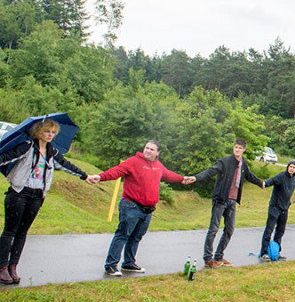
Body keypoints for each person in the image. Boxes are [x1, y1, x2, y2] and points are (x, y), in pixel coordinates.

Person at [0, 119, 89, 284]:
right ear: (38, 132)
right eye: (47, 131)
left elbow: (66, 165)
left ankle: (13, 266)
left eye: (53, 132)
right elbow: (6, 157)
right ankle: (2, 267)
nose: (50, 135)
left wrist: (85, 176)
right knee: (10, 231)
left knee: (22, 232)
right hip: (19, 193)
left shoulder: (51, 152)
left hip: (37, 196)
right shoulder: (27, 146)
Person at [88, 140, 187, 277]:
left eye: (152, 149)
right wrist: (100, 177)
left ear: (157, 153)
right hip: (131, 206)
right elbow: (116, 171)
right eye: (146, 148)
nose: (148, 151)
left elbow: (168, 174)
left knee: (136, 237)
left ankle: (129, 263)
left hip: (148, 210)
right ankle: (111, 265)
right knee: (122, 235)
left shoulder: (158, 166)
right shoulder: (133, 162)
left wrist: (182, 179)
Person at [183, 139, 264, 269]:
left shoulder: (243, 164)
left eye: (239, 148)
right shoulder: (225, 162)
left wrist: (261, 183)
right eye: (235, 147)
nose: (237, 150)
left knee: (230, 229)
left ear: (244, 149)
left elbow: (249, 176)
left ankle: (219, 256)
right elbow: (211, 171)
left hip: (232, 201)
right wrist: (196, 177)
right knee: (213, 229)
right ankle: (208, 259)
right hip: (221, 199)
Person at [259, 159, 295, 260]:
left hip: (284, 209)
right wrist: (264, 184)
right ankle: (264, 253)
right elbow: (272, 180)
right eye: (290, 166)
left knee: (280, 231)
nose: (291, 169)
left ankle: (277, 252)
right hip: (275, 207)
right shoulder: (281, 176)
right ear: (287, 167)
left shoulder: (293, 179)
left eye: (294, 167)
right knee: (269, 229)